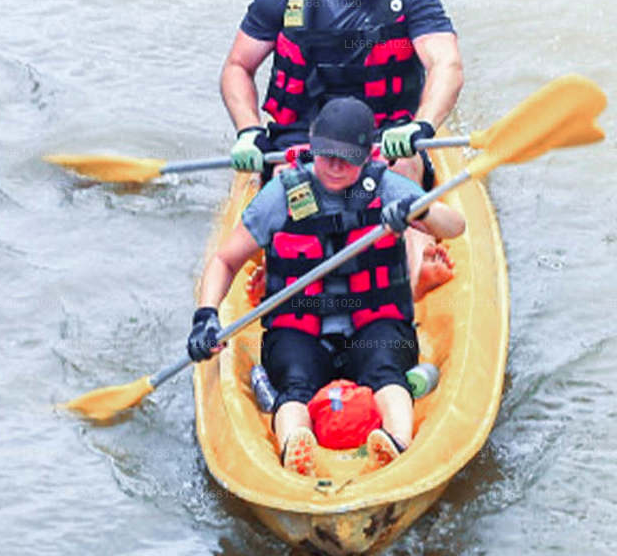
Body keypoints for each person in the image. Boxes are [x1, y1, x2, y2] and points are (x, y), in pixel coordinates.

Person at [188, 98, 465, 476]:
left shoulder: (387, 187)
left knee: (386, 371)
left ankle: (396, 443)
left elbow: (455, 227)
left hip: (373, 320)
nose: (335, 166)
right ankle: (295, 445)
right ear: (313, 147)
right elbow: (225, 260)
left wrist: (421, 212)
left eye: (346, 159)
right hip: (301, 325)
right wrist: (205, 315)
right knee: (295, 382)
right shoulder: (283, 194)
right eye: (326, 156)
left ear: (367, 156)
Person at [218, 0, 463, 296]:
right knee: (293, 184)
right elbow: (237, 67)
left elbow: (447, 65)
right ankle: (288, 274)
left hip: (385, 134)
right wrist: (248, 129)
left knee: (401, 174)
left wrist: (421, 126)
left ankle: (414, 271)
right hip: (302, 136)